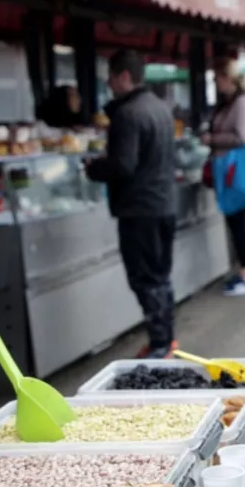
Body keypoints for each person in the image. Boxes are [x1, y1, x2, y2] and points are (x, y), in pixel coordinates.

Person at [86, 50, 178, 358]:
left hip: (140, 208)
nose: (108, 84)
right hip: (164, 203)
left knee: (146, 279)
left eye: (111, 77)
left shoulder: (127, 114)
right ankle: (164, 340)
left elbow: (123, 165)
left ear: (124, 76)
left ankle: (161, 344)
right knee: (160, 276)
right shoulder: (160, 107)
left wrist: (92, 167)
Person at [206, 59, 245, 297]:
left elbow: (244, 136)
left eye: (217, 78)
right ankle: (243, 273)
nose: (215, 83)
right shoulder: (233, 102)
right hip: (228, 169)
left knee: (238, 222)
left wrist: (212, 140)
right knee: (236, 222)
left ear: (227, 78)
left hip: (235, 170)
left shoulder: (243, 102)